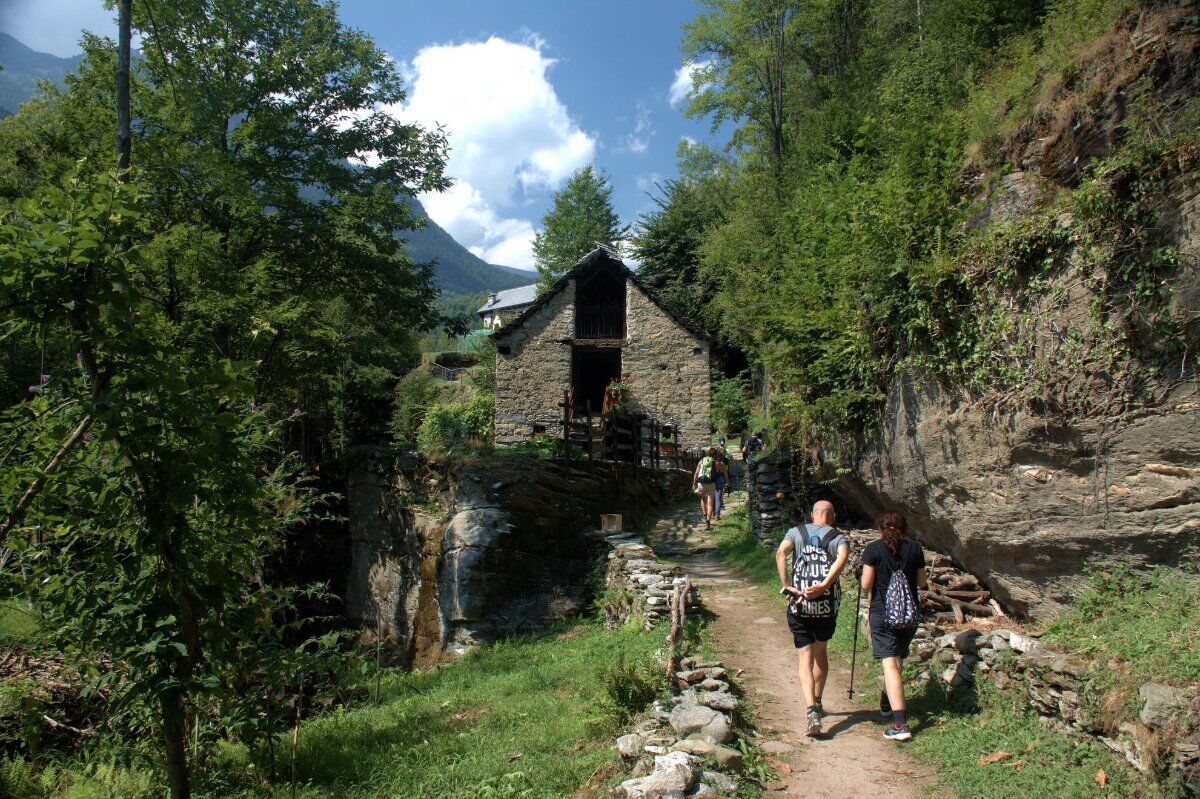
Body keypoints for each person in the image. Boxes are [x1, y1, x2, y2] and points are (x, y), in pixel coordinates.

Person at [776, 500, 849, 737]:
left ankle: (810, 711)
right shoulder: (837, 537)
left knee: (804, 657)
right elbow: (843, 558)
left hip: (800, 604)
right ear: (833, 516)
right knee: (820, 653)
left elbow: (781, 552)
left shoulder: (796, 532)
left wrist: (787, 585)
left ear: (812, 515)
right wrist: (825, 585)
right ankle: (818, 701)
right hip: (825, 606)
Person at [860, 510, 928, 742]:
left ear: (880, 529)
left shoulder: (873, 549)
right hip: (908, 615)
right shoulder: (915, 548)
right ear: (903, 528)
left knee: (890, 664)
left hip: (883, 613)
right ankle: (888, 701)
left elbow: (866, 585)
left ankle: (900, 724)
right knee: (897, 659)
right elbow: (922, 582)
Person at [693, 447, 718, 527]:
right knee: (710, 503)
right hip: (711, 483)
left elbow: (696, 473)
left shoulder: (701, 461)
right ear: (715, 455)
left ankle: (704, 514)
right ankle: (708, 520)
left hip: (701, 483)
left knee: (703, 498)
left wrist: (694, 483)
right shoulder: (715, 462)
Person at [713, 450, 730, 520]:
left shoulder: (712, 463)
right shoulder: (722, 464)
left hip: (712, 481)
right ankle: (717, 515)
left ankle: (711, 512)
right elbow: (726, 475)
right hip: (720, 481)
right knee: (718, 499)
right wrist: (728, 484)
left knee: (711, 498)